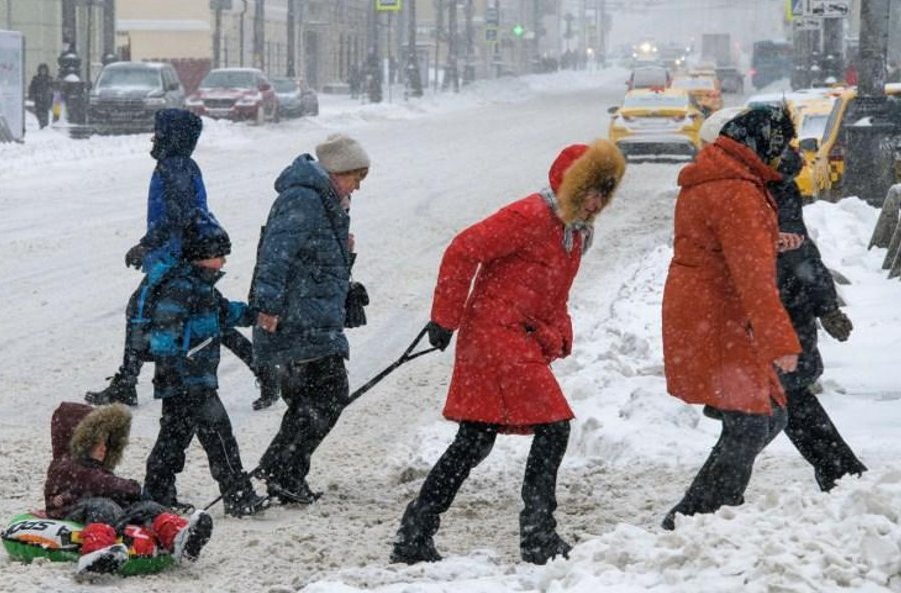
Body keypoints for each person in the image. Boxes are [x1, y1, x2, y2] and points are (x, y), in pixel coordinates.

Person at [390, 139, 627, 565]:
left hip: (513, 339)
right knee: (553, 428)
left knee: (474, 440)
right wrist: (446, 317)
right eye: (592, 191)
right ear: (572, 186)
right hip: (494, 337)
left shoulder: (575, 232)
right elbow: (463, 249)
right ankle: (538, 537)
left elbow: (553, 295)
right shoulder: (530, 215)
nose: (597, 202)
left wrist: (558, 335)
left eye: (605, 194)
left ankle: (415, 533)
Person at [661, 105, 802, 531]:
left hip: (707, 312)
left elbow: (716, 242)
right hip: (718, 317)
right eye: (784, 145)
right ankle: (697, 515)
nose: (787, 154)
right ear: (764, 142)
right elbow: (753, 279)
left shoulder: (725, 178)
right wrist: (782, 342)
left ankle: (711, 507)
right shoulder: (737, 190)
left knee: (767, 415)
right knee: (754, 418)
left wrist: (764, 238)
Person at [85, 108, 279, 409]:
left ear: (171, 137)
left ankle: (127, 383)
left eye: (158, 132)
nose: (153, 137)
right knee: (208, 313)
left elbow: (176, 216)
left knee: (140, 311)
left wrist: (146, 245)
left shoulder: (172, 168)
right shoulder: (184, 165)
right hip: (183, 253)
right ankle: (264, 371)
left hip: (175, 257)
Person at [249, 133, 370, 504]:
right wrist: (267, 305)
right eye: (355, 177)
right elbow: (276, 253)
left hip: (312, 313)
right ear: (337, 171)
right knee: (328, 394)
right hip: (297, 314)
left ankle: (283, 470)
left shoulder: (326, 201)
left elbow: (311, 256)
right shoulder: (304, 198)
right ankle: (283, 468)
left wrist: (344, 260)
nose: (358, 187)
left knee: (311, 397)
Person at [141, 219, 268, 517]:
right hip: (187, 378)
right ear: (201, 254)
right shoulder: (180, 287)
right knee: (219, 435)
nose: (223, 261)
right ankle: (238, 495)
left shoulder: (202, 287)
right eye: (219, 254)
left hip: (190, 378)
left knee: (174, 438)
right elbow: (164, 331)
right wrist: (174, 363)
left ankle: (157, 495)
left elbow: (225, 313)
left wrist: (254, 315)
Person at [770, 147, 868, 491]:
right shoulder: (774, 185)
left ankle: (841, 471)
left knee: (777, 402)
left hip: (777, 312)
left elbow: (798, 252)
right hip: (780, 308)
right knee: (780, 401)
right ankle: (841, 470)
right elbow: (802, 253)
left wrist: (826, 305)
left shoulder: (771, 187)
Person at [45, 401, 213, 575]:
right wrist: (130, 488)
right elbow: (101, 484)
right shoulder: (66, 466)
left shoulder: (96, 468)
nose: (104, 447)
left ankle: (180, 539)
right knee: (103, 506)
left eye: (106, 442)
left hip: (103, 507)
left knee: (147, 508)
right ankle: (95, 552)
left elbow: (107, 485)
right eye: (97, 442)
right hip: (70, 509)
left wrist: (135, 498)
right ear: (82, 442)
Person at [28, 63, 53, 129]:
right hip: (38, 99)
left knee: (45, 113)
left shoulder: (49, 79)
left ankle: (44, 125)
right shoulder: (36, 79)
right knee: (39, 113)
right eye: (42, 70)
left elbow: (52, 90)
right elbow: (32, 88)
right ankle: (42, 124)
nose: (43, 72)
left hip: (46, 99)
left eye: (44, 70)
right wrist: (31, 96)